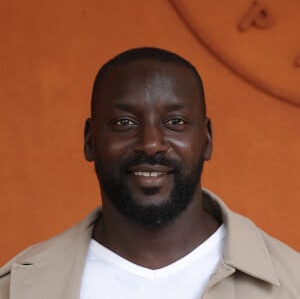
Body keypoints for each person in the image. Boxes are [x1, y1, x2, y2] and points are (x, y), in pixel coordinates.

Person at [0, 47, 299, 299]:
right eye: (124, 123)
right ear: (90, 140)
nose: (151, 144)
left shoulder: (292, 283)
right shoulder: (17, 289)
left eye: (176, 121)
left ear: (206, 140)